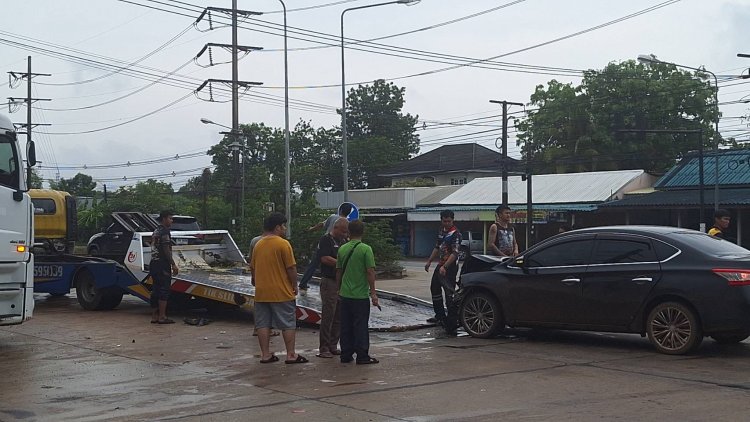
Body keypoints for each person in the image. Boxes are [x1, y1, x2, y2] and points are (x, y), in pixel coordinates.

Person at [249, 213, 308, 365]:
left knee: (262, 324)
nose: (285, 228)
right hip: (281, 292)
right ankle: (290, 355)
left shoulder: (258, 245)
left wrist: (256, 282)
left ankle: (265, 355)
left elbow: (253, 268)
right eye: (283, 225)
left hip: (261, 292)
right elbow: (291, 268)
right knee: (288, 323)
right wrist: (294, 285)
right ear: (277, 227)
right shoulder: (283, 244)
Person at [337, 219, 379, 364]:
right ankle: (362, 356)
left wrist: (338, 289)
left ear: (349, 231)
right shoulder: (366, 249)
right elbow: (370, 272)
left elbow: (339, 272)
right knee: (360, 325)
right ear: (363, 232)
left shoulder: (342, 249)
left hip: (345, 295)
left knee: (345, 325)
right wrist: (373, 292)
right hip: (360, 296)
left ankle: (346, 354)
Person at [299, 203, 354, 294]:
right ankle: (338, 286)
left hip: (324, 244)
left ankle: (303, 283)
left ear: (340, 210)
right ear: (349, 213)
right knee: (335, 266)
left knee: (313, 264)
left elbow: (321, 225)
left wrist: (311, 229)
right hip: (337, 246)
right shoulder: (347, 222)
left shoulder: (333, 217)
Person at [317, 218, 349, 358]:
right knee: (328, 314)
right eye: (343, 231)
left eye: (346, 232)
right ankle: (323, 347)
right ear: (336, 228)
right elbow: (324, 258)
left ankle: (333, 344)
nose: (344, 234)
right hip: (329, 281)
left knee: (339, 315)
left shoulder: (344, 242)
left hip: (341, 282)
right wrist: (340, 263)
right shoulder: (326, 240)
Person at [424, 210, 461, 327]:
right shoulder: (441, 232)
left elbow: (455, 253)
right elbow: (437, 247)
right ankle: (439, 315)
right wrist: (429, 261)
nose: (446, 223)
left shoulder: (455, 234)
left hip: (450, 266)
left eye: (449, 221)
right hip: (440, 264)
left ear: (452, 220)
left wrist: (445, 266)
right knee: (434, 288)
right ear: (441, 220)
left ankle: (452, 319)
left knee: (449, 292)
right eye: (444, 221)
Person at [150, 210, 179, 324]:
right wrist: (173, 264)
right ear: (164, 219)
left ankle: (154, 316)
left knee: (155, 290)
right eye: (170, 218)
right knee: (164, 290)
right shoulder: (165, 232)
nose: (171, 221)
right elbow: (166, 250)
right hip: (162, 264)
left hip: (154, 263)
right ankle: (162, 316)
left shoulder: (156, 231)